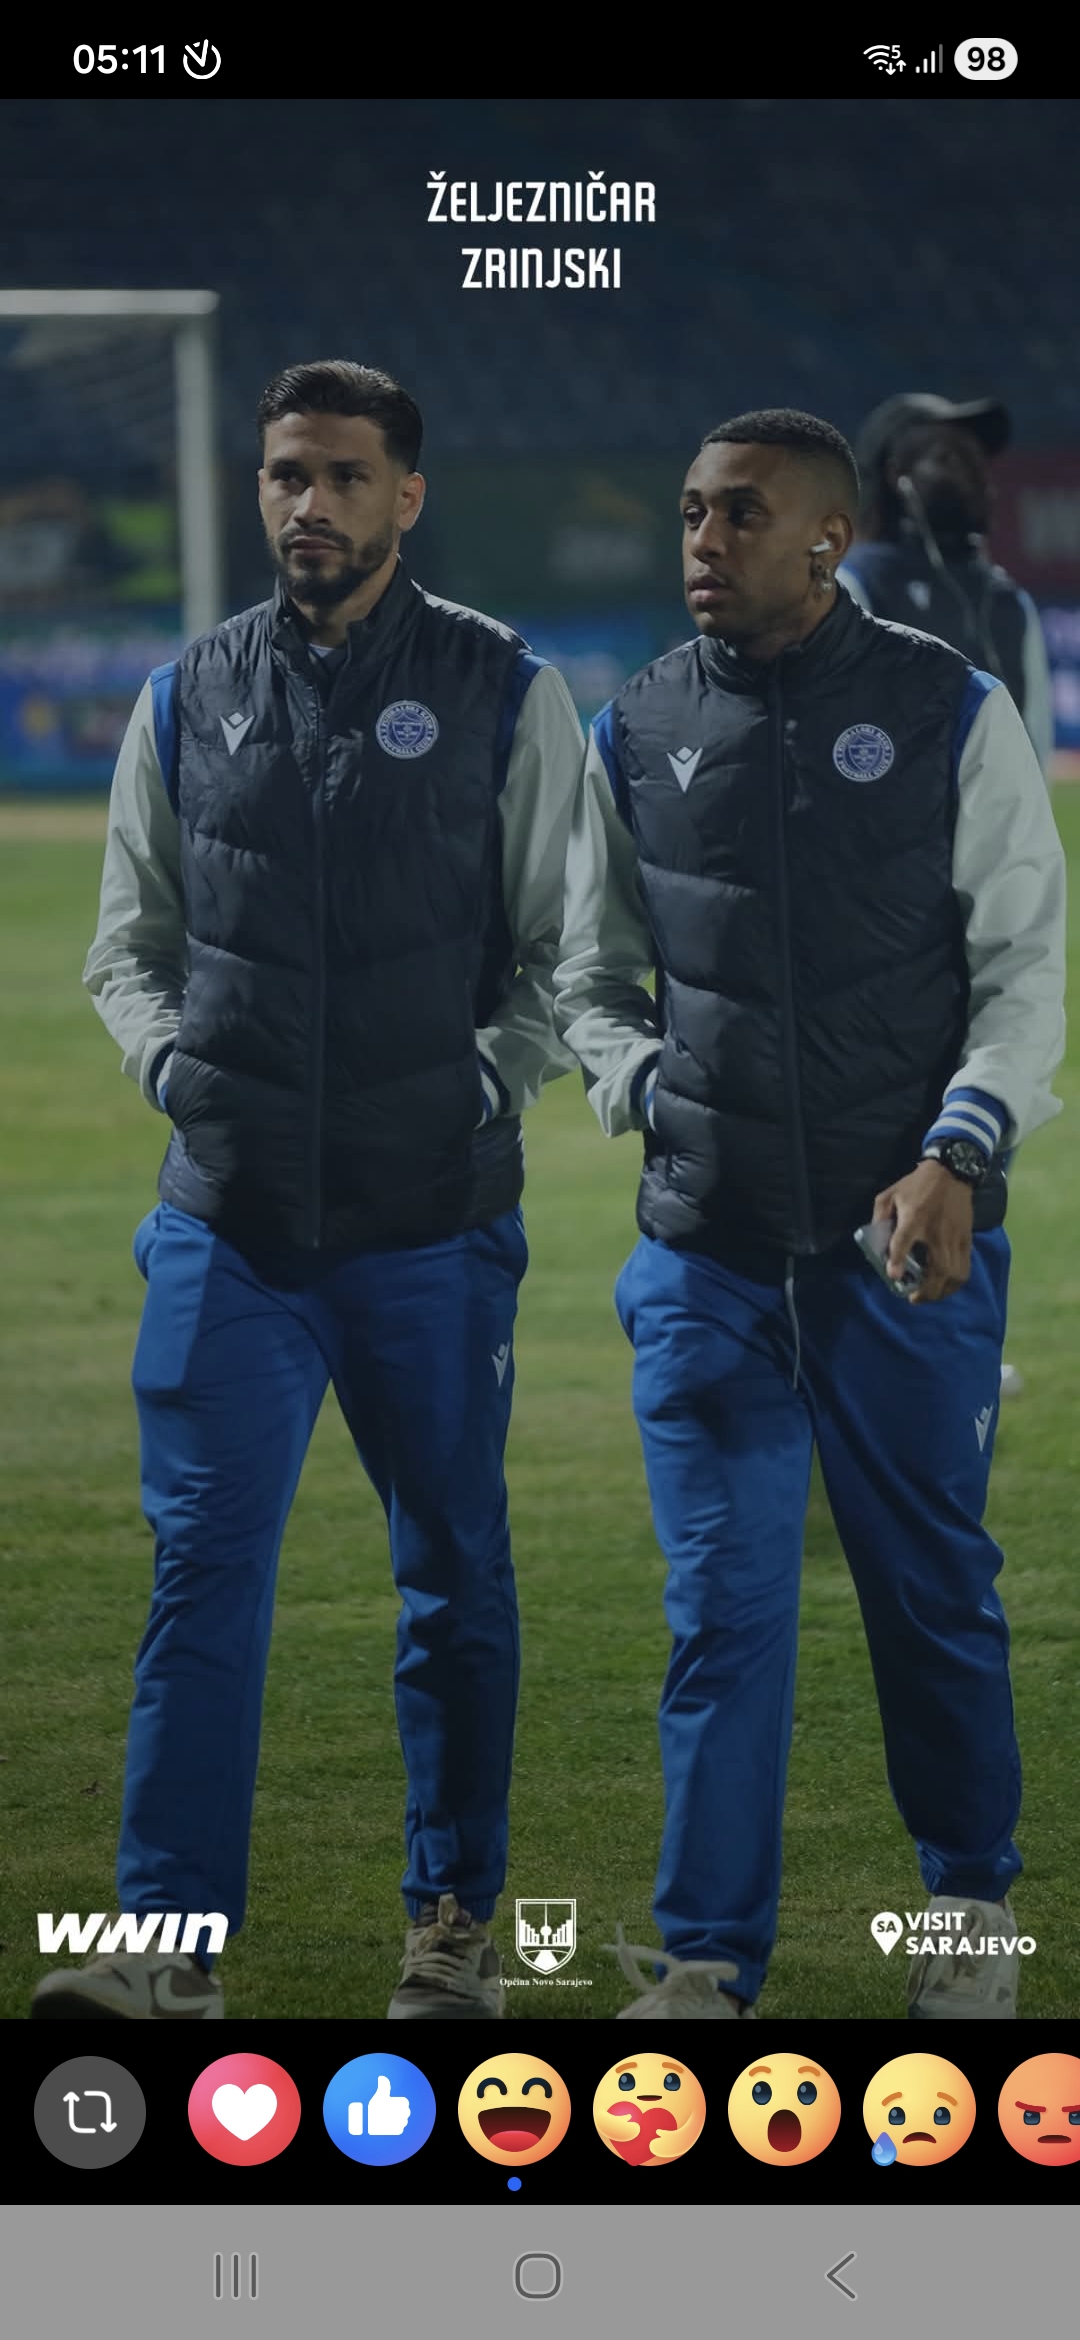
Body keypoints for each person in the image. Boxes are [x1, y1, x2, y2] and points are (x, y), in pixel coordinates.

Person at [33, 360, 584, 2022]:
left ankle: (452, 1935)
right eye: (287, 473)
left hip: (432, 1228)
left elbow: (570, 952)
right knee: (200, 1576)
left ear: (406, 495)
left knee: (455, 1584)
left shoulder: (505, 688)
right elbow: (128, 947)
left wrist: (477, 1086)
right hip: (233, 1224)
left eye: (346, 475)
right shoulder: (183, 695)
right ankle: (168, 1955)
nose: (311, 503)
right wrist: (173, 1072)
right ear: (258, 487)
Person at [554, 408, 1065, 2022]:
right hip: (704, 1251)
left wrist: (960, 1152)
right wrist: (648, 1086)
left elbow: (1025, 972)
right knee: (722, 1612)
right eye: (690, 513)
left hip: (900, 1249)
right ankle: (708, 1964)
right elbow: (586, 972)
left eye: (740, 515)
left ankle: (967, 1925)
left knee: (931, 1596)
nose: (703, 542)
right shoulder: (637, 722)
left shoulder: (947, 708)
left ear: (830, 536)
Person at [840, 389, 1055, 1402]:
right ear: (894, 475)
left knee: (977, 1109)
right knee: (886, 1119)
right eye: (943, 454)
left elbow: (1033, 762)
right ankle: (878, 1340)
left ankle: (945, 1334)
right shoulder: (857, 586)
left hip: (980, 907)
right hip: (885, 914)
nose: (969, 473)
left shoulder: (1005, 600)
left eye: (976, 457)